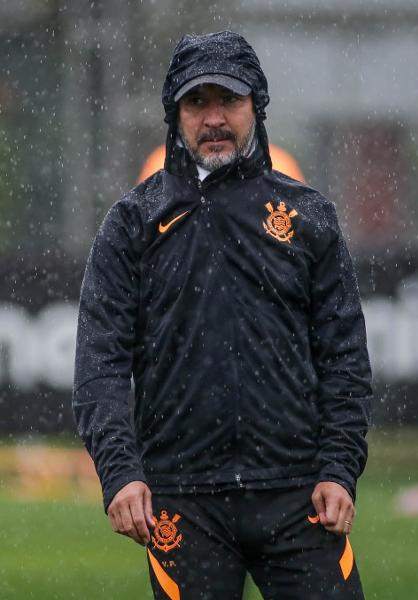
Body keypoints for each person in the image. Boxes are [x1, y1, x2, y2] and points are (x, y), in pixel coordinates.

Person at [73, 31, 372, 600]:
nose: (213, 118)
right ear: (174, 113)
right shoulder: (130, 225)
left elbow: (345, 357)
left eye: (228, 100)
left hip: (300, 497)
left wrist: (338, 468)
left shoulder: (309, 216)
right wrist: (121, 472)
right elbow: (99, 364)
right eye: (196, 102)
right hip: (181, 503)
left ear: (255, 105)